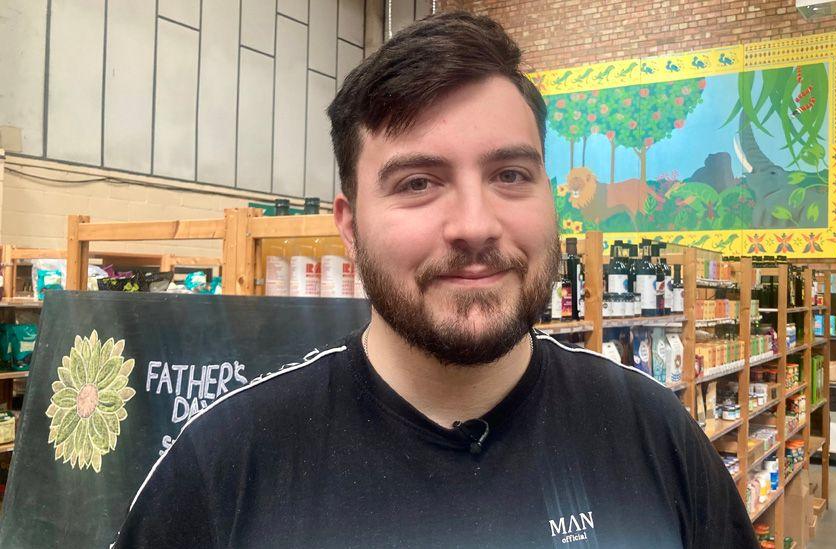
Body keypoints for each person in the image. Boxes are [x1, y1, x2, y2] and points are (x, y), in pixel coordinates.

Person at [114, 11, 757, 548]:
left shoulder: (656, 433)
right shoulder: (222, 468)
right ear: (350, 224)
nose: (474, 225)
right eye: (417, 183)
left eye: (510, 175)